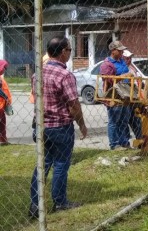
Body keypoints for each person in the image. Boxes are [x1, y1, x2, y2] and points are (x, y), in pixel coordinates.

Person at [29, 36, 87, 218]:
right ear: (63, 52)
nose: (70, 53)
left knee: (43, 164)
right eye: (70, 50)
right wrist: (82, 125)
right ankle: (60, 202)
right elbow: (74, 105)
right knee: (61, 164)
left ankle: (34, 203)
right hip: (60, 127)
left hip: (40, 127)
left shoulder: (37, 73)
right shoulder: (65, 75)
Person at [100, 40, 132, 150]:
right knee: (114, 121)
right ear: (113, 51)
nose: (122, 52)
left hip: (126, 94)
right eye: (120, 50)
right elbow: (107, 79)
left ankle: (124, 142)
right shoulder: (107, 64)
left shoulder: (122, 60)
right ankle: (114, 144)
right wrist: (125, 76)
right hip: (114, 95)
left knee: (124, 120)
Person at [123, 50, 143, 143]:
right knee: (125, 121)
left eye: (130, 58)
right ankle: (126, 141)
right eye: (127, 58)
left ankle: (141, 139)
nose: (129, 60)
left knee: (136, 120)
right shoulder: (122, 69)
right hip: (126, 98)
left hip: (135, 97)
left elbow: (138, 82)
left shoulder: (132, 68)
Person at [0, 60, 13, 146]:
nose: (5, 69)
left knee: (2, 122)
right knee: (1, 123)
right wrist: (6, 97)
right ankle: (3, 139)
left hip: (1, 105)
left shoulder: (0, 78)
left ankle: (3, 139)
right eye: (4, 67)